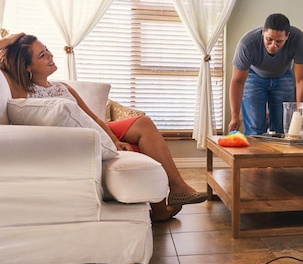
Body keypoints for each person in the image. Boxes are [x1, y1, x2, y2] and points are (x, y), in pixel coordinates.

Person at [0, 34, 207, 222]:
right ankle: (163, 206)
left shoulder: (62, 87)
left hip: (94, 128)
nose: (51, 56)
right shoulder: (21, 90)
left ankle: (177, 188)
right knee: (138, 144)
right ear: (27, 67)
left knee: (143, 123)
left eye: (47, 50)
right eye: (42, 55)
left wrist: (114, 141)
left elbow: (95, 119)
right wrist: (11, 40)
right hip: (80, 140)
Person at [228, 13, 303, 135]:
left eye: (279, 41)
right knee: (255, 129)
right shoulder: (247, 44)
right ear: (263, 32)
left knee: (282, 128)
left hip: (283, 75)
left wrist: (300, 115)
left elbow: (302, 80)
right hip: (254, 76)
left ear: (288, 36)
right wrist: (234, 116)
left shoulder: (299, 40)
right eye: (269, 39)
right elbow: (237, 81)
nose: (273, 45)